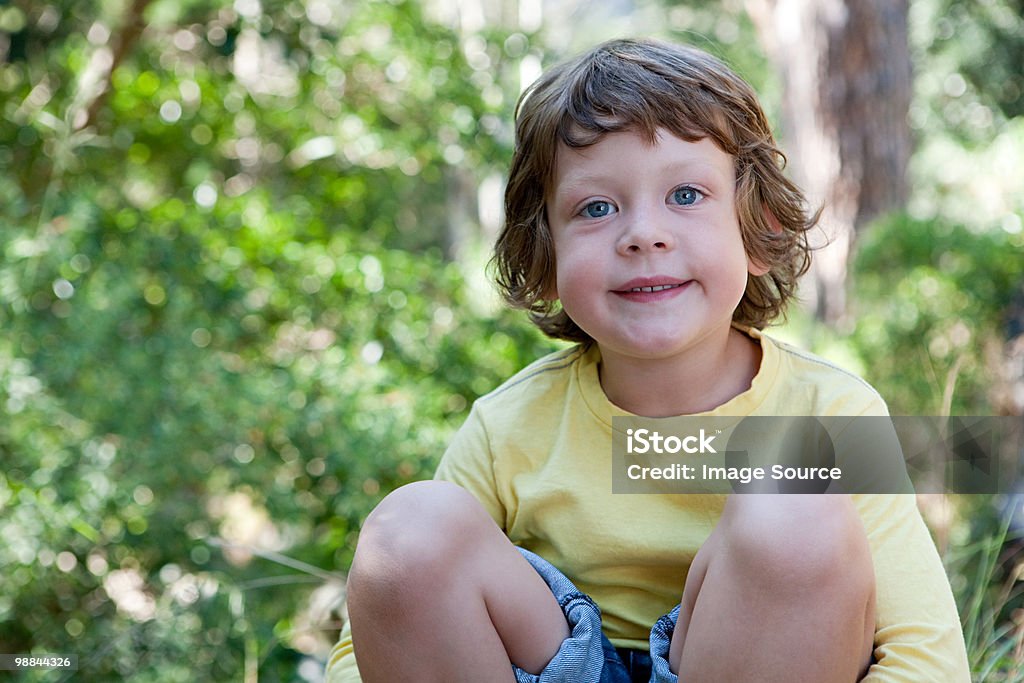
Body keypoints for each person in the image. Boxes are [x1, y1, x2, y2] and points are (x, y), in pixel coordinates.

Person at [326, 38, 969, 682]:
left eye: (686, 195)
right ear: (545, 258)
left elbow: (925, 660)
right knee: (411, 530)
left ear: (758, 228)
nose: (643, 234)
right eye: (596, 208)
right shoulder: (508, 427)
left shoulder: (833, 412)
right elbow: (367, 657)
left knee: (793, 507)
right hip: (551, 660)